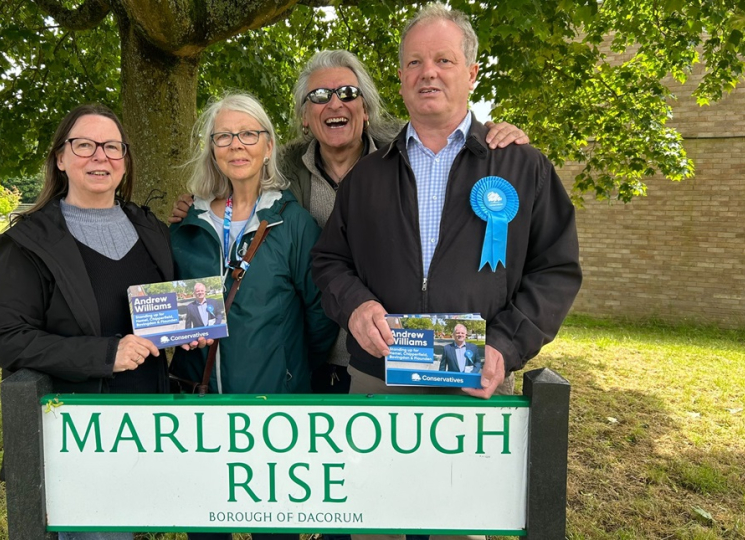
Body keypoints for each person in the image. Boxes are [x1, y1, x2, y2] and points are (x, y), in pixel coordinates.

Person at [170, 50, 530, 396]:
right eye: (320, 95)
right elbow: (242, 166)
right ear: (305, 118)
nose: (335, 103)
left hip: (398, 358)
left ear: (366, 109)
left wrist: (487, 135)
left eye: (347, 93)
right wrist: (198, 207)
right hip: (312, 365)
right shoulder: (286, 171)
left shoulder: (404, 159)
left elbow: (447, 136)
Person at [311, 1, 582, 416]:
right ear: (402, 78)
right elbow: (330, 260)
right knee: (376, 485)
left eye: (444, 60)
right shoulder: (366, 177)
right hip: (379, 380)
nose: (428, 72)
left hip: (476, 379)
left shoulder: (524, 168)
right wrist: (355, 307)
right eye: (415, 61)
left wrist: (505, 345)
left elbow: (555, 271)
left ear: (471, 74)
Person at [0, 104, 206, 540]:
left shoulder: (151, 229)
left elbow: (160, 308)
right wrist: (106, 353)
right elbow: (4, 338)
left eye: (111, 147)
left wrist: (187, 328)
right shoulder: (26, 242)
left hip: (148, 425)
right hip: (80, 437)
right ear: (60, 158)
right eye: (84, 145)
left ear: (125, 160)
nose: (99, 156)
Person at [170, 92, 337, 400]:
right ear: (212, 149)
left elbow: (321, 318)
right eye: (224, 136)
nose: (236, 144)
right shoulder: (188, 225)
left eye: (248, 134)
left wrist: (289, 371)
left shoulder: (294, 225)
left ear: (268, 146)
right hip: (197, 402)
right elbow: (175, 313)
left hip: (273, 405)